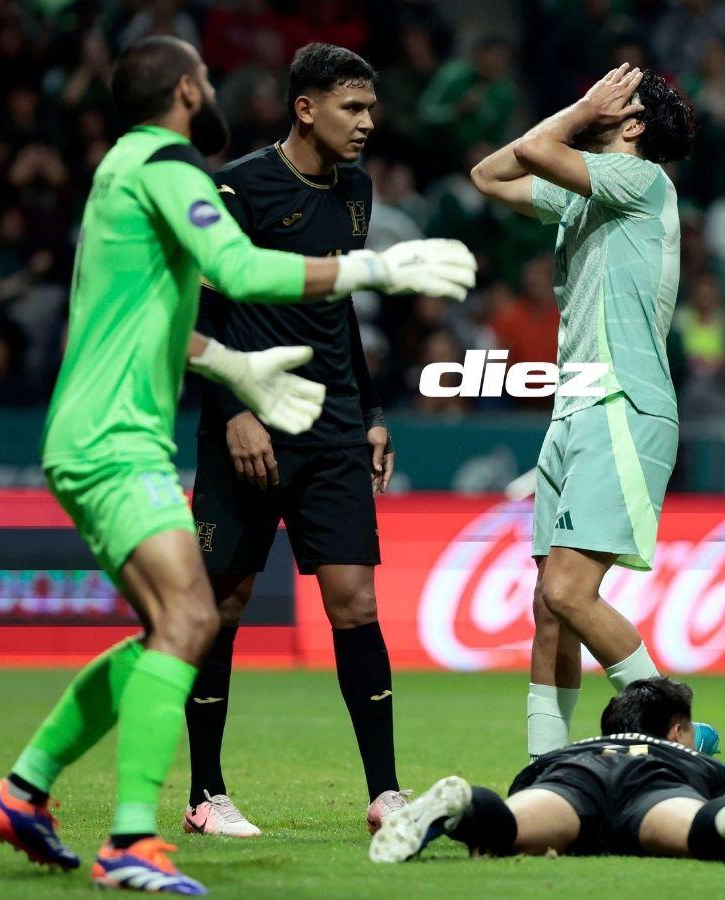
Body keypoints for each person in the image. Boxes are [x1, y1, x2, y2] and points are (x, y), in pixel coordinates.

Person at [0, 36, 475, 895]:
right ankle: (139, 834)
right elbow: (234, 272)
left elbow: (170, 319)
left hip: (185, 427)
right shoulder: (181, 170)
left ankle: (23, 792)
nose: (214, 89)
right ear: (184, 91)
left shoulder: (126, 168)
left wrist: (241, 369)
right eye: (203, 79)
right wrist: (374, 268)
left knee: (183, 622)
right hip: (116, 436)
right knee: (194, 617)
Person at [183, 42, 408, 839]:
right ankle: (205, 793)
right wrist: (232, 410)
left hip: (334, 425)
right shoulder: (236, 188)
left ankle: (386, 794)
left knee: (356, 601)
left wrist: (371, 410)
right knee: (223, 604)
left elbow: (338, 305)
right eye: (352, 107)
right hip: (249, 423)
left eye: (371, 108)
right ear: (305, 109)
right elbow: (197, 310)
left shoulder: (356, 191)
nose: (367, 123)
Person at [470, 64, 715, 761]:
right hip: (574, 409)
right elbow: (488, 175)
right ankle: (546, 767)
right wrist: (583, 114)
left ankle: (680, 735)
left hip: (624, 404)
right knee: (549, 608)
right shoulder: (584, 198)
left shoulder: (643, 181)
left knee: (570, 592)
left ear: (631, 124)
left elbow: (535, 149)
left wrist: (581, 109)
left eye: (616, 98)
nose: (598, 99)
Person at [369, 677, 725, 869]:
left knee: (504, 831)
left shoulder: (582, 746)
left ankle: (465, 806)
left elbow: (528, 781)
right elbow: (722, 786)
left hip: (574, 773)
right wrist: (722, 803)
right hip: (657, 781)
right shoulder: (681, 751)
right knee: (698, 829)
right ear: (677, 730)